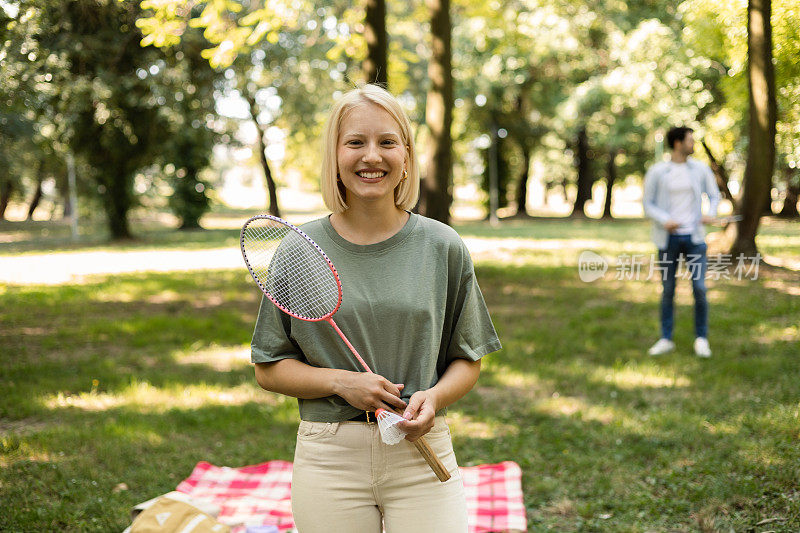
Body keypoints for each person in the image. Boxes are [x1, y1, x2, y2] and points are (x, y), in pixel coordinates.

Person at [250, 84, 501, 532]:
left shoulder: (442, 246)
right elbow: (269, 368)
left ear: (406, 155)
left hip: (421, 449)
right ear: (335, 156)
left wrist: (435, 397)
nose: (372, 156)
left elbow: (468, 357)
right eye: (355, 142)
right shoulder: (297, 250)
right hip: (330, 456)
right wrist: (342, 382)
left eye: (387, 142)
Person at [643, 126, 720, 358]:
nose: (693, 143)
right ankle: (666, 338)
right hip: (668, 240)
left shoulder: (700, 169)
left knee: (700, 288)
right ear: (677, 143)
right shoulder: (658, 171)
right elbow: (648, 204)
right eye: (690, 140)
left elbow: (714, 195)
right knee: (668, 290)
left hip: (695, 239)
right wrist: (665, 220)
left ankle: (701, 339)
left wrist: (711, 213)